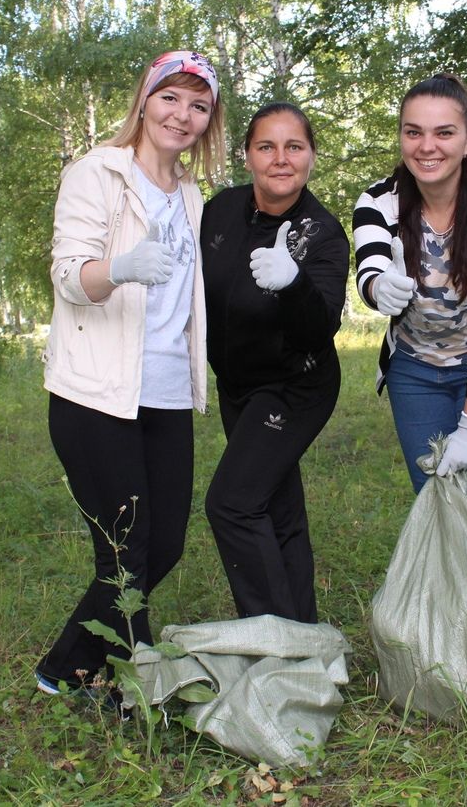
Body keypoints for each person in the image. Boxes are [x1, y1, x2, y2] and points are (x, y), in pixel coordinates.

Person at [36, 51, 226, 702]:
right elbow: (68, 277)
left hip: (169, 391)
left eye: (199, 105)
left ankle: (65, 665)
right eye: (171, 98)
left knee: (164, 542)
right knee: (126, 546)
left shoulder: (195, 198)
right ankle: (132, 680)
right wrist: (118, 267)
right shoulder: (98, 174)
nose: (184, 115)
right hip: (97, 393)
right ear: (145, 100)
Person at [353, 73, 467, 666]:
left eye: (443, 132)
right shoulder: (378, 199)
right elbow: (369, 263)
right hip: (415, 370)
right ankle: (460, 638)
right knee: (437, 503)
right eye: (413, 132)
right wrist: (378, 285)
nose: (426, 146)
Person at [200, 103, 349, 623]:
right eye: (267, 146)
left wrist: (294, 283)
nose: (280, 159)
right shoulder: (219, 211)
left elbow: (320, 326)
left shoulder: (324, 233)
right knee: (273, 507)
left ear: (310, 156)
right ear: (247, 157)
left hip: (295, 386)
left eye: (294, 147)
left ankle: (275, 646)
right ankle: (301, 634)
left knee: (233, 504)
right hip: (236, 384)